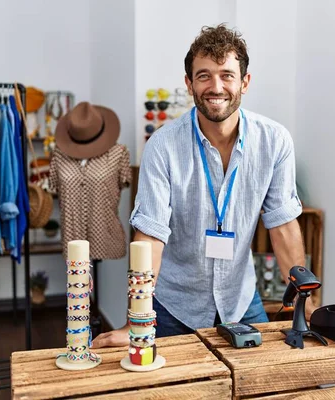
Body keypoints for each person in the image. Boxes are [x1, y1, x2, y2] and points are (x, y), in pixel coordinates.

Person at [92, 24, 310, 348]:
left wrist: (307, 301)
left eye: (226, 75)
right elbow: (149, 236)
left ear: (245, 82)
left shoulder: (275, 141)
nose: (216, 86)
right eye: (204, 75)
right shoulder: (162, 146)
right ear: (189, 83)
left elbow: (283, 226)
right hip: (174, 305)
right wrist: (135, 320)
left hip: (241, 300)